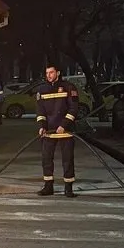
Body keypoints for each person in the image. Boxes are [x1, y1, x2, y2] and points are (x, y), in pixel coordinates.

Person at [35, 64, 78, 198]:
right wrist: (42, 126)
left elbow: (73, 109)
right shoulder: (42, 90)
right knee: (46, 159)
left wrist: (64, 125)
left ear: (58, 73)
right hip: (48, 131)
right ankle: (48, 186)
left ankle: (68, 188)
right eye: (47, 73)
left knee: (67, 159)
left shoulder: (69, 87)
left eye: (51, 72)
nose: (48, 75)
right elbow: (40, 111)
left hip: (65, 130)